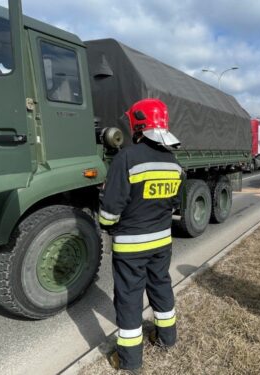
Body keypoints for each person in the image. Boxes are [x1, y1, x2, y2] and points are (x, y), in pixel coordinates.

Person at [99, 98, 182, 373]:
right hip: (162, 243)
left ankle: (129, 360)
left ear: (137, 124)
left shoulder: (126, 157)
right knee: (161, 286)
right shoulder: (173, 162)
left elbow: (111, 208)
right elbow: (174, 201)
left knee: (129, 297)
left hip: (131, 246)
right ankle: (167, 339)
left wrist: (107, 225)